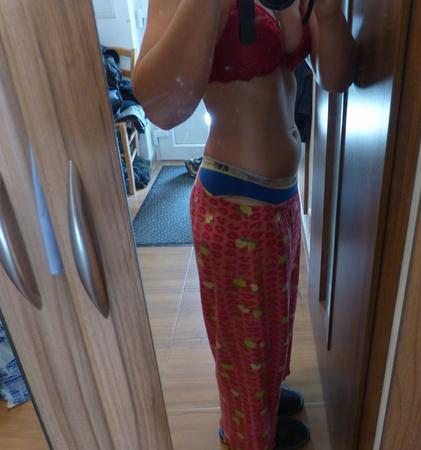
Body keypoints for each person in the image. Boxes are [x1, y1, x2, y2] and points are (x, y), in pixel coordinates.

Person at [133, 1, 356, 448]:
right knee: (243, 347)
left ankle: (262, 404)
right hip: (235, 207)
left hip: (283, 200)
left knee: (270, 330)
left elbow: (336, 79)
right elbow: (161, 106)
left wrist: (331, 15)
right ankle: (247, 434)